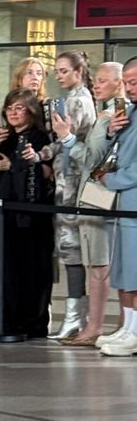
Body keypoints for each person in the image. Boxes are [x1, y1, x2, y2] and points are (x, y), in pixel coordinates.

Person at [58, 61, 128, 346]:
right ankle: (117, 326)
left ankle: (94, 327)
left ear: (118, 82)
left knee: (98, 265)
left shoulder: (110, 116)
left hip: (99, 195)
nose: (95, 85)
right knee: (106, 265)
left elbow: (90, 159)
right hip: (103, 195)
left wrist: (67, 138)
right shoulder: (112, 115)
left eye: (101, 80)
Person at [0, 89, 55, 338]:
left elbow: (46, 172)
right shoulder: (6, 137)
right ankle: (7, 319)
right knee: (6, 268)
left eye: (19, 108)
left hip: (31, 215)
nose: (13, 113)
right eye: (9, 108)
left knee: (31, 268)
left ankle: (31, 323)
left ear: (31, 111)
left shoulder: (39, 137)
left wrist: (12, 166)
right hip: (6, 213)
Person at [44, 50, 97, 340]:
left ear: (78, 71)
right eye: (57, 70)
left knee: (71, 248)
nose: (58, 75)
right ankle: (74, 315)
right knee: (66, 248)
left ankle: (76, 316)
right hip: (64, 182)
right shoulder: (72, 99)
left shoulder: (80, 101)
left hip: (74, 186)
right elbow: (59, 142)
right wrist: (41, 154)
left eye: (63, 70)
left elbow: (71, 142)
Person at [96, 57, 137, 356]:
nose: (130, 87)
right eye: (127, 82)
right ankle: (128, 327)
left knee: (135, 271)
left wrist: (112, 180)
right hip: (125, 203)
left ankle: (134, 332)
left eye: (135, 81)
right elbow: (117, 150)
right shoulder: (129, 113)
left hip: (132, 200)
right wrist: (112, 131)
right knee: (123, 270)